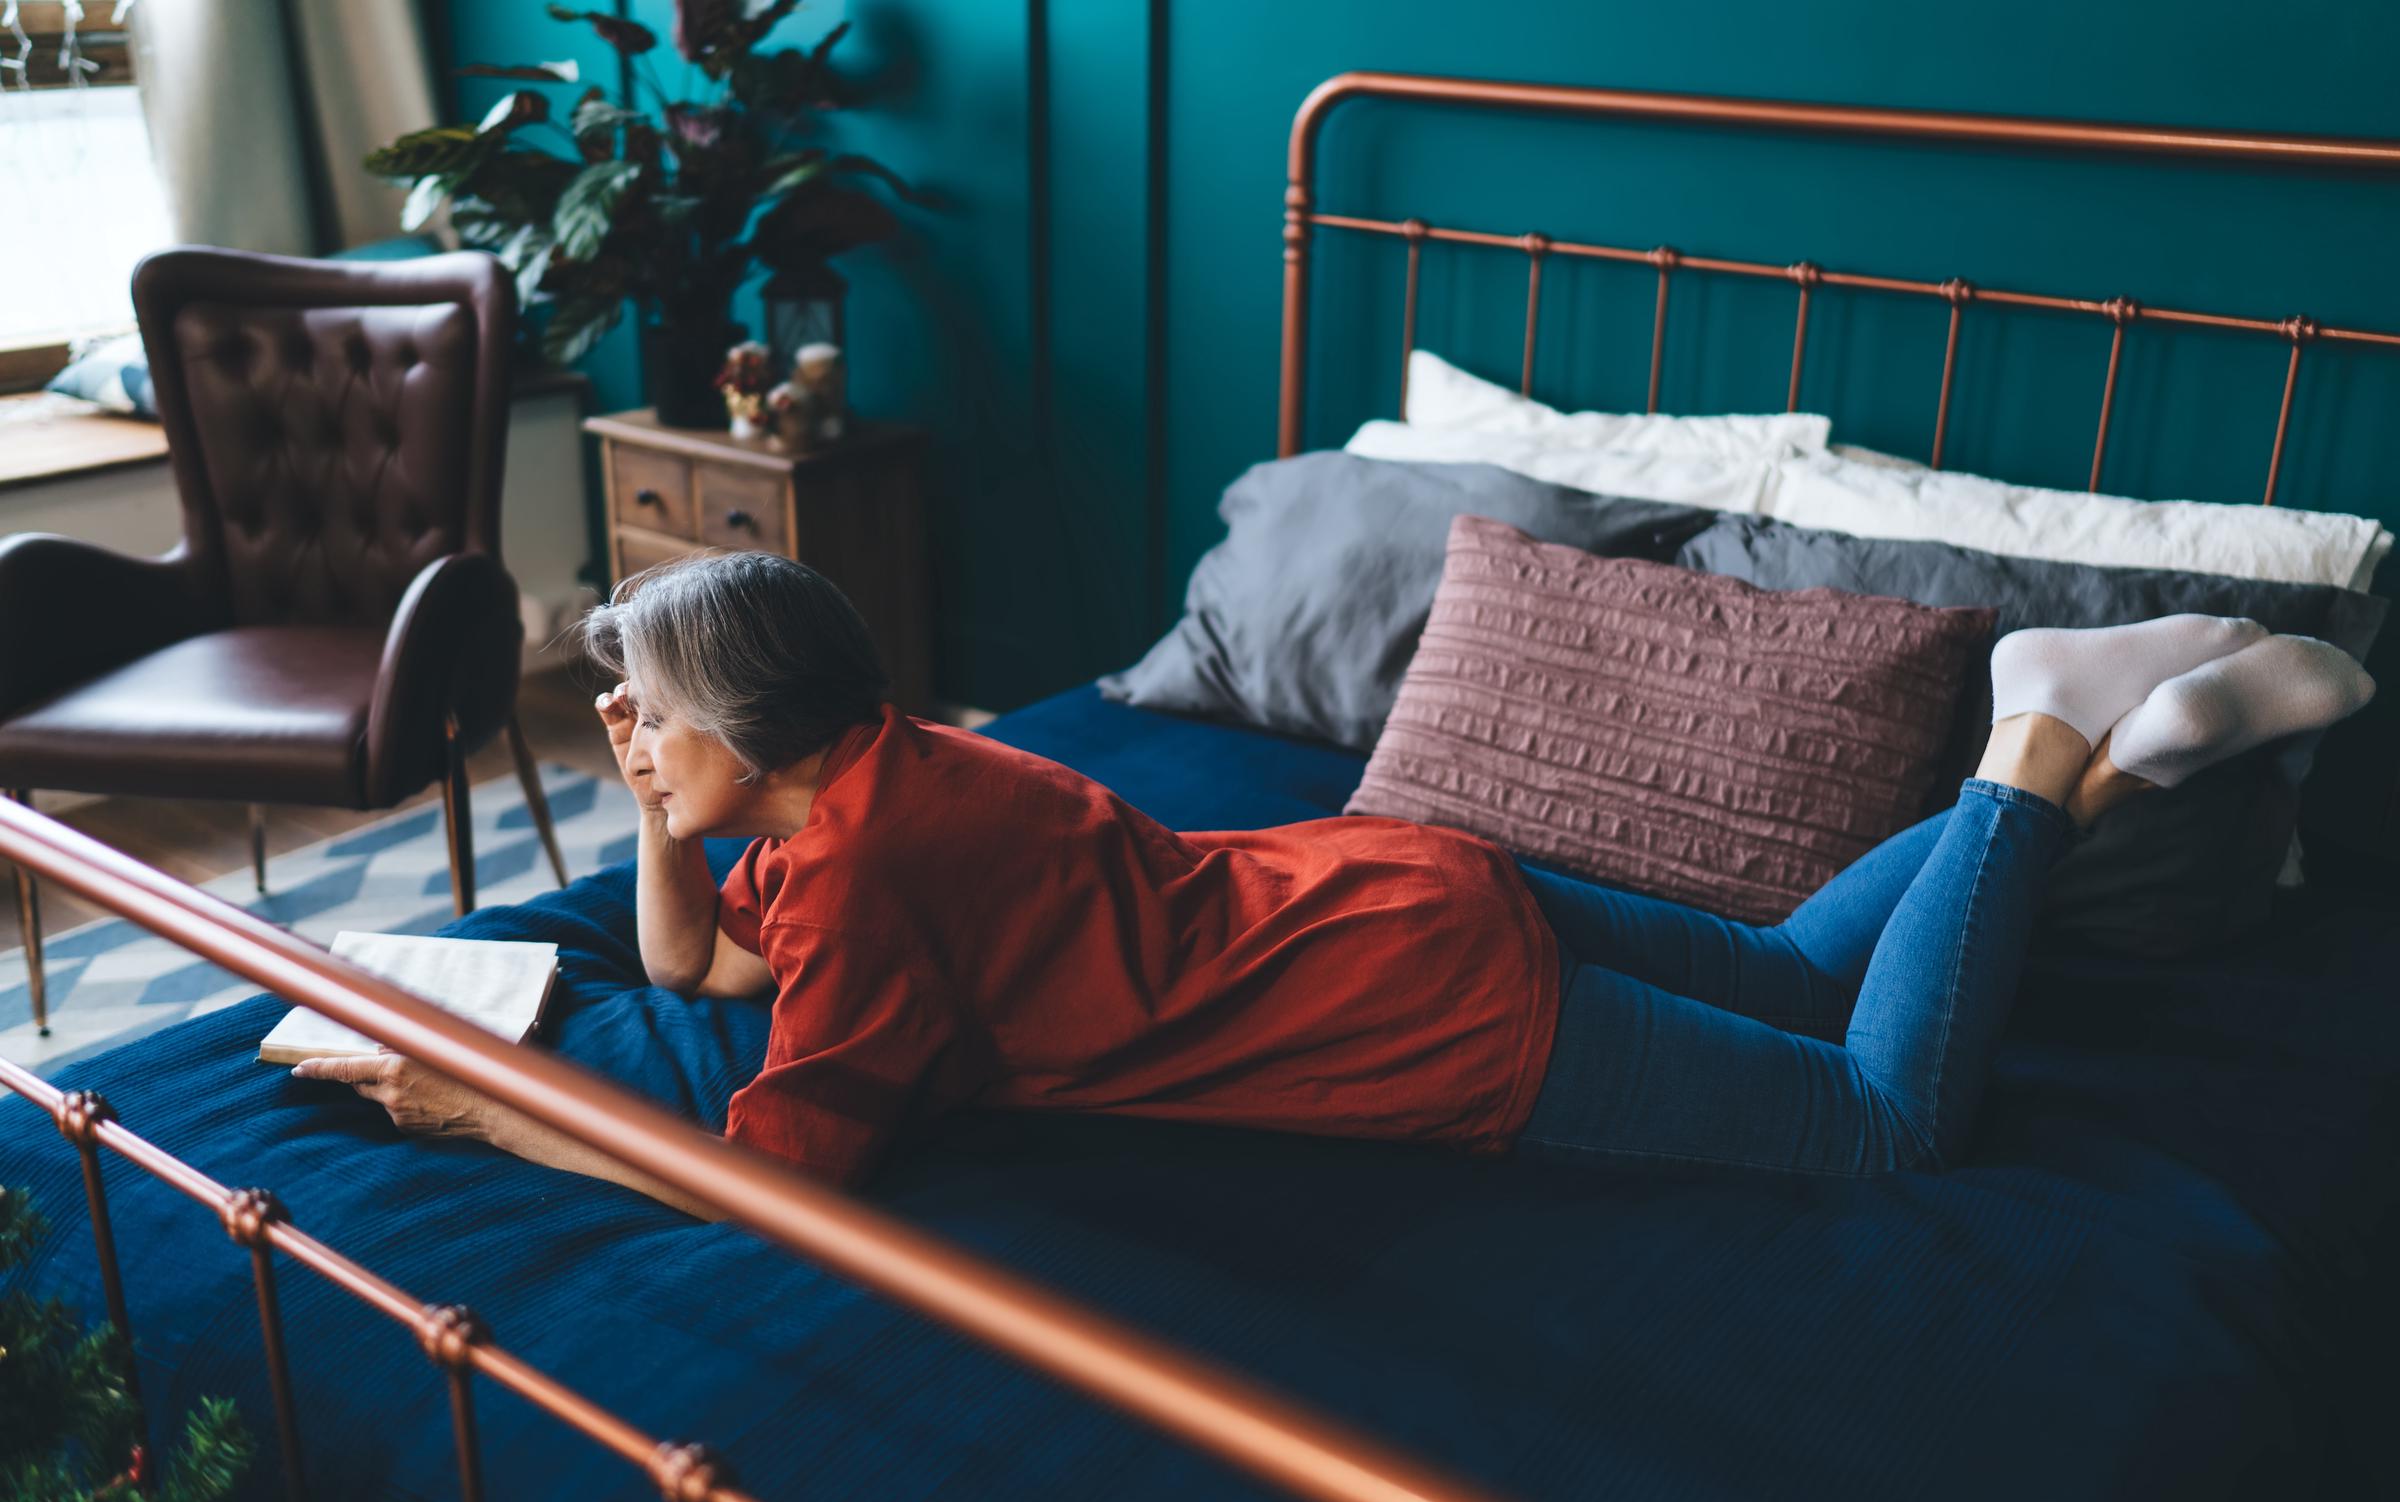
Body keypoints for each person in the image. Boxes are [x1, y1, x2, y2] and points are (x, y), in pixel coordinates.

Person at [294, 552, 2376, 1217]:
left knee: (1882, 1116)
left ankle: (2026, 740)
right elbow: (699, 971)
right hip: (1404, 885)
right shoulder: (895, 767)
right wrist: (665, 815)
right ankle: (2120, 751)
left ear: (757, 725)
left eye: (650, 714)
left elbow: (779, 1172)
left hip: (1421, 1015)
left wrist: (492, 1108)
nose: (626, 735)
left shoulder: (860, 875)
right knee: (1787, 968)